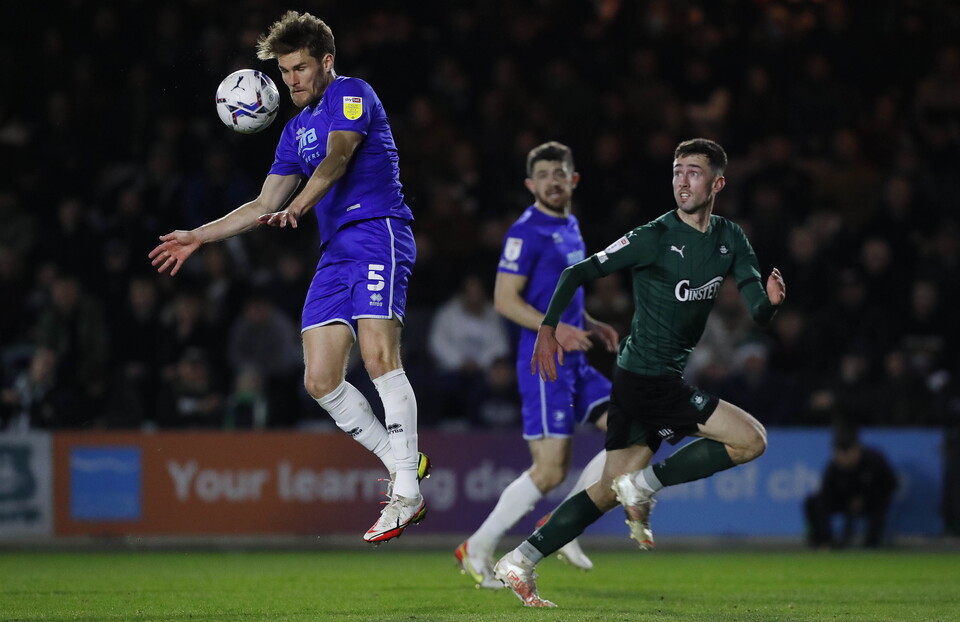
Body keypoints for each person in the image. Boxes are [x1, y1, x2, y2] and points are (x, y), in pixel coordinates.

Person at [148, 11, 428, 543]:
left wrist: (298, 206)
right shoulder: (295, 130)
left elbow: (339, 159)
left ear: (325, 61)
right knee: (320, 380)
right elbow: (262, 203)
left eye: (300, 68)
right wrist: (198, 237)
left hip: (377, 233)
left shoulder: (352, 92)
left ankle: (406, 491)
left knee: (377, 357)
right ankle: (403, 460)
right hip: (334, 252)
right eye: (284, 72)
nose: (292, 80)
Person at [493, 138, 786, 607]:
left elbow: (755, 306)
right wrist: (548, 329)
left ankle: (519, 561)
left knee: (606, 492)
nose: (682, 181)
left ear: (718, 182)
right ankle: (646, 486)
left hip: (641, 380)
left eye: (693, 171)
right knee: (751, 440)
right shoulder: (653, 235)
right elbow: (575, 275)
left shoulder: (730, 238)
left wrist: (770, 305)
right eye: (676, 171)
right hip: (649, 380)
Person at [456, 142, 618, 588]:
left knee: (629, 430)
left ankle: (566, 524)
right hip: (545, 361)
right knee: (549, 470)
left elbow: (560, 295)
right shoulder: (524, 231)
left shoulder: (571, 226)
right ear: (531, 184)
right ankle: (479, 546)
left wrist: (588, 322)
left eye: (559, 173)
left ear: (573, 180)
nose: (552, 180)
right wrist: (555, 331)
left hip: (576, 357)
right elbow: (504, 300)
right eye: (543, 174)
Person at [804, 422, 898, 548]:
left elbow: (890, 484)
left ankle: (872, 543)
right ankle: (825, 542)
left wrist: (865, 498)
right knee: (814, 502)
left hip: (870, 501)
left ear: (857, 449)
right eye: (839, 453)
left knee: (881, 502)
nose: (844, 458)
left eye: (848, 453)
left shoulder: (874, 460)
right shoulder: (833, 467)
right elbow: (826, 493)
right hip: (844, 501)